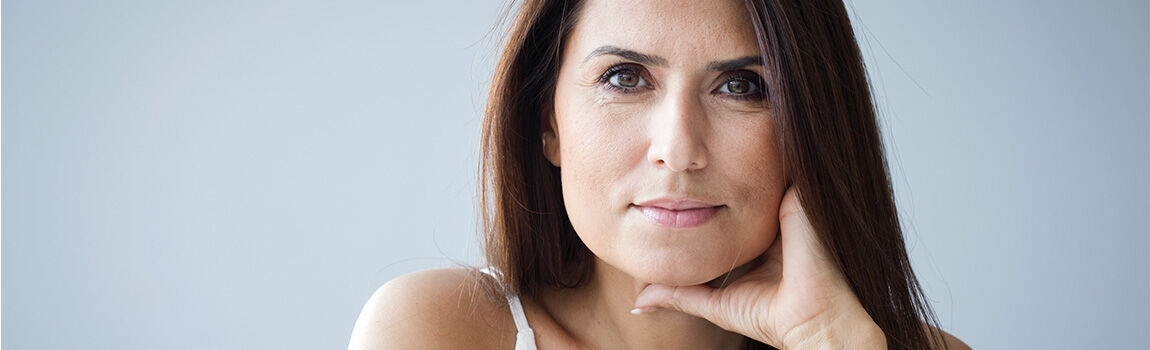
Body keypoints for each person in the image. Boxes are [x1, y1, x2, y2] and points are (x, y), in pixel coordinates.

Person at [349, 0, 973, 349]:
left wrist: (828, 342)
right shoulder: (438, 332)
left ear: (810, 126)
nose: (678, 150)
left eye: (742, 86)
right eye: (625, 78)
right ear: (549, 122)